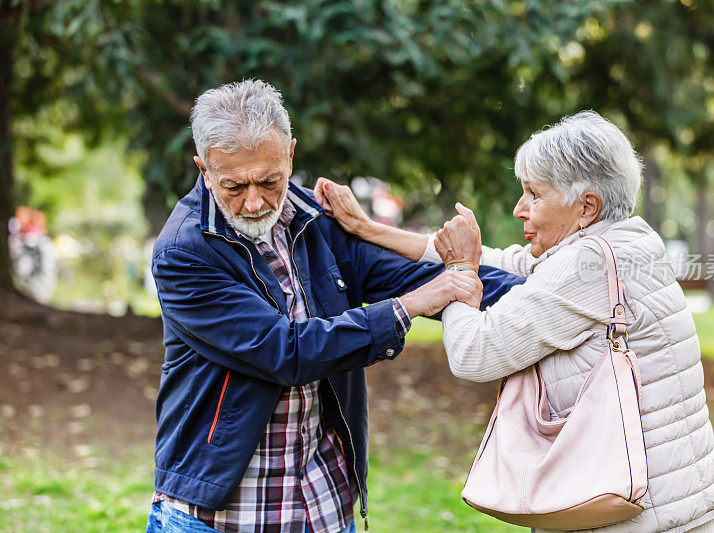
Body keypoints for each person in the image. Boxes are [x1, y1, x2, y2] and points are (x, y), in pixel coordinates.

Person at [316, 111, 714, 532]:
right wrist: (369, 229)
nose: (518, 209)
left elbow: (474, 355)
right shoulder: (627, 240)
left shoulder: (585, 266)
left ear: (586, 206)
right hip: (675, 500)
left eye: (534, 194)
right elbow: (503, 262)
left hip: (630, 515)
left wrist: (459, 272)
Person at [146, 79, 523, 533]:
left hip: (321, 505)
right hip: (222, 516)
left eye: (269, 181)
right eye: (233, 186)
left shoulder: (317, 221)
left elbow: (418, 276)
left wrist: (549, 294)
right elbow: (287, 352)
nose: (253, 201)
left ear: (291, 155)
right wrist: (410, 307)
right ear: (203, 169)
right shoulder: (185, 252)